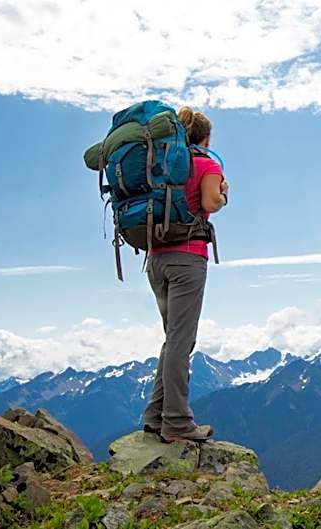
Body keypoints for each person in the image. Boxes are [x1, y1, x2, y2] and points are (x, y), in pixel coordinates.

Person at [141, 107, 228, 443]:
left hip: (156, 260)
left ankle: (154, 414)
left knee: (174, 338)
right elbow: (211, 202)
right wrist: (222, 192)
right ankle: (177, 422)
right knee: (181, 340)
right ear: (204, 138)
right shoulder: (207, 164)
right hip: (187, 259)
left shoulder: (160, 166)